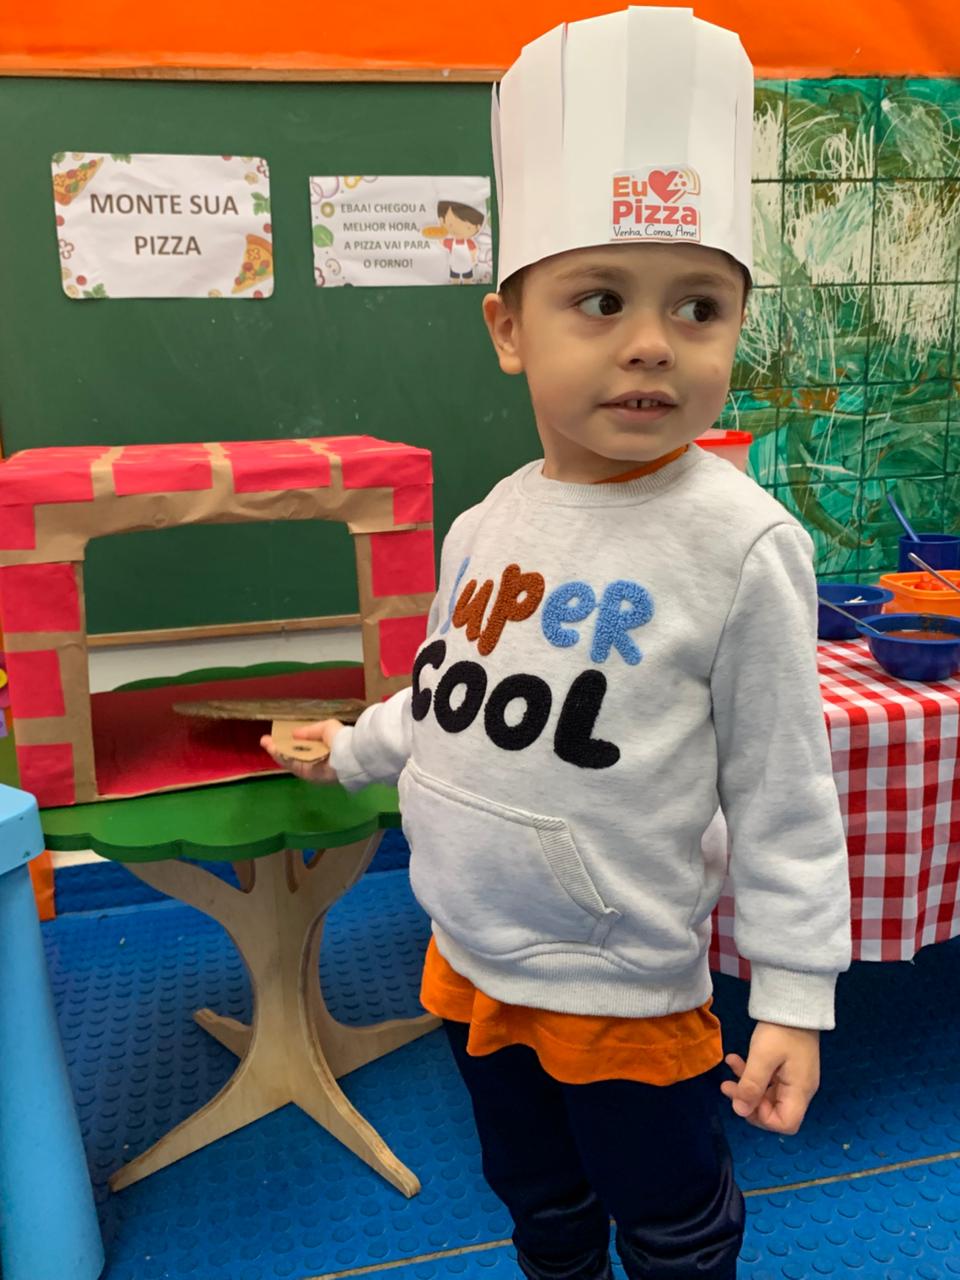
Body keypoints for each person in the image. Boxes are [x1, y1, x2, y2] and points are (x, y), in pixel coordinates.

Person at [262, 9, 852, 1278]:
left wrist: (797, 994)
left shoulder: (741, 544)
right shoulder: (487, 522)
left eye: (698, 306)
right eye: (600, 299)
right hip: (469, 960)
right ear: (508, 327)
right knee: (538, 1200)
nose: (651, 340)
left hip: (624, 987)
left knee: (673, 1217)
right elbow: (453, 692)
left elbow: (785, 792)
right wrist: (352, 745)